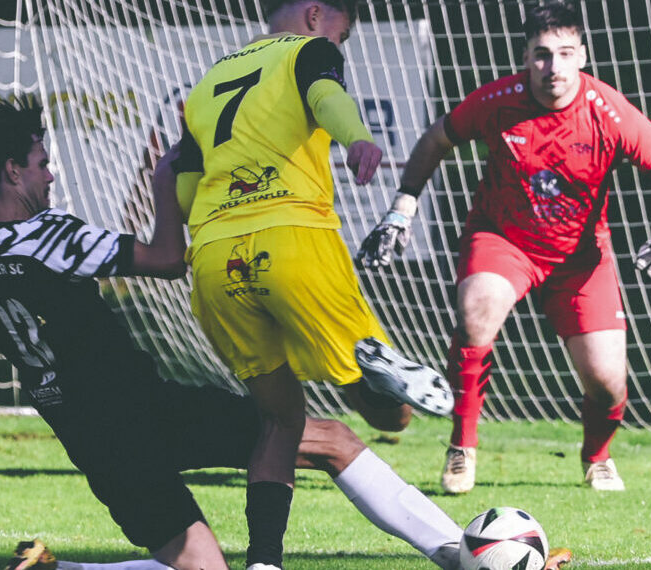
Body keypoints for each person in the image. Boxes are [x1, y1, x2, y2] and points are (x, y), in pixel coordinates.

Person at [0, 97, 475, 570]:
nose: (50, 173)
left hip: (89, 438)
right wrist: (163, 181)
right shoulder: (53, 237)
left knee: (206, 566)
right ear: (12, 171)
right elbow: (166, 259)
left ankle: (60, 569)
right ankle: (464, 554)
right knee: (331, 441)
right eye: (40, 162)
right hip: (143, 408)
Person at [356, 0, 651, 494]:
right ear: (525, 58)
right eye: (542, 55)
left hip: (581, 257)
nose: (553, 67)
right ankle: (462, 445)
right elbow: (436, 139)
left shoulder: (608, 111)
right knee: (477, 311)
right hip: (504, 239)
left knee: (608, 382)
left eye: (565, 53)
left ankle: (598, 456)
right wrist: (402, 209)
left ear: (582, 55)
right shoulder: (498, 100)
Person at [171, 1, 454, 566]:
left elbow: (183, 189)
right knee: (391, 417)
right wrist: (355, 139)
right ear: (315, 14)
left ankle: (264, 560)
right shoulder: (310, 51)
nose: (340, 45)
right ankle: (376, 361)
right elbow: (327, 95)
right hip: (293, 242)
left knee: (281, 420)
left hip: (214, 261)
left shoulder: (206, 85)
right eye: (343, 35)